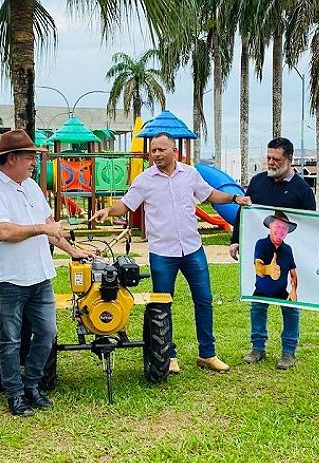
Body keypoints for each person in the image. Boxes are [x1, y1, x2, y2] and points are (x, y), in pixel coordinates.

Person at [92, 131, 252, 374]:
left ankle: (207, 354)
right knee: (162, 306)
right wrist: (108, 211)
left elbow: (209, 195)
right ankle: (170, 355)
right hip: (162, 253)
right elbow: (126, 203)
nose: (156, 154)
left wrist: (234, 197)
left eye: (161, 150)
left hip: (192, 249)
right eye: (153, 150)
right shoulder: (144, 180)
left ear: (174, 151)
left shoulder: (189, 174)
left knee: (204, 299)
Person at [0, 129, 93, 417]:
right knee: (11, 339)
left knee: (47, 333)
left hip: (40, 274)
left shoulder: (31, 187)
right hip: (9, 278)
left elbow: (51, 227)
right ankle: (14, 394)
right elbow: (3, 232)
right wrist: (44, 229)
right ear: (12, 158)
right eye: (30, 157)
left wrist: (73, 251)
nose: (34, 162)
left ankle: (31, 385)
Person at [229, 137, 316, 370]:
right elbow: (244, 213)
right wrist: (236, 240)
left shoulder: (302, 190)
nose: (270, 162)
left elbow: (310, 227)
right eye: (268, 158)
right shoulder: (258, 182)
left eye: (275, 159)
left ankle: (289, 351)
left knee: (289, 304)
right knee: (258, 301)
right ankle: (258, 347)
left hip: (289, 255)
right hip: (261, 251)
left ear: (289, 160)